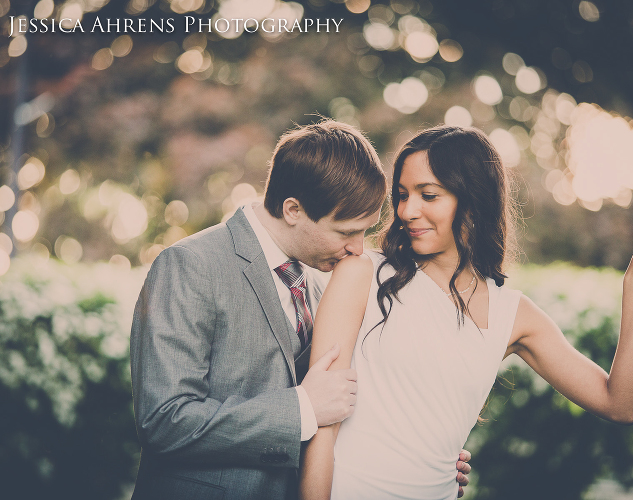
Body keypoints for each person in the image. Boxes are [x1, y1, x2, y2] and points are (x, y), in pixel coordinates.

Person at [299, 125, 633, 500]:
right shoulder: (362, 274)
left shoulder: (514, 314)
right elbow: (322, 427)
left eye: (428, 194)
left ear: (472, 199)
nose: (406, 211)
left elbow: (620, 404)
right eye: (402, 195)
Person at [130, 120, 471, 500]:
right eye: (345, 232)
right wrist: (301, 407)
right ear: (293, 209)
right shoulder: (190, 265)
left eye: (364, 232)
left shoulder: (325, 281)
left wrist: (419, 460)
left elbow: (342, 407)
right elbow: (164, 421)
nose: (358, 249)